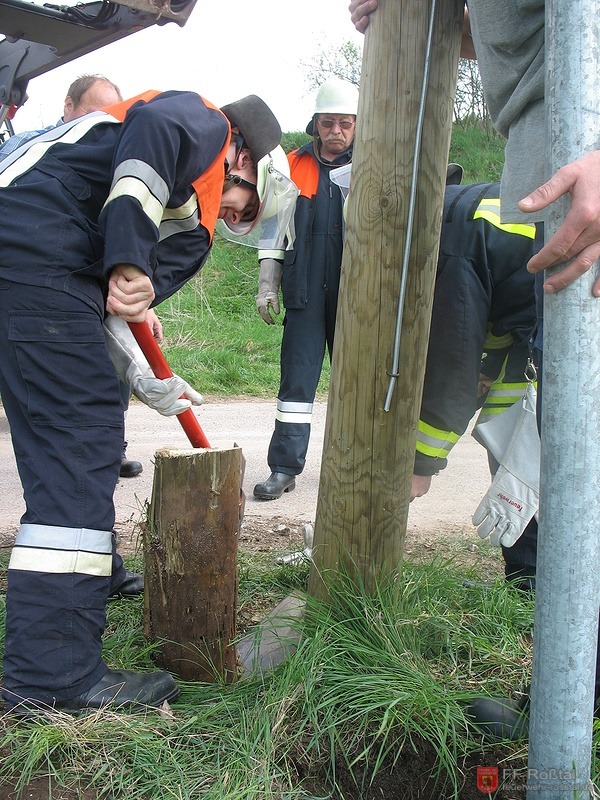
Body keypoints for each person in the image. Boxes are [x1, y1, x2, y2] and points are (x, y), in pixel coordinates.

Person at [349, 0, 600, 741]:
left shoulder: (454, 232)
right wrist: (430, 18)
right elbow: (503, 352)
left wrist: (419, 466)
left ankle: (564, 716)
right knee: (556, 482)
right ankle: (571, 698)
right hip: (568, 244)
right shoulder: (477, 228)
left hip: (583, 225)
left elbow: (456, 360)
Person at [0, 89, 295, 715]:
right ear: (245, 158)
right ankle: (52, 676)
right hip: (32, 251)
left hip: (29, 260)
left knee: (63, 441)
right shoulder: (203, 122)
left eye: (243, 220)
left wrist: (143, 376)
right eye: (243, 207)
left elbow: (106, 300)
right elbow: (153, 133)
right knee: (79, 446)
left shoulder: (160, 210)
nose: (233, 217)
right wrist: (131, 256)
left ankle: (75, 600)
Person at [0, 74, 148, 480]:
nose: (103, 121)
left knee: (108, 370)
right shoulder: (29, 146)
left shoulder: (111, 153)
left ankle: (109, 449)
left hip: (90, 275)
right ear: (69, 107)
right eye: (93, 111)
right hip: (42, 275)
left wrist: (137, 295)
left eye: (111, 114)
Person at [413, 181, 539, 592]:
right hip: (535, 327)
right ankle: (530, 584)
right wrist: (489, 367)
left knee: (527, 453)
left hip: (563, 325)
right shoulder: (453, 209)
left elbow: (453, 364)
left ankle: (538, 590)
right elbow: (505, 302)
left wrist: (420, 465)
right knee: (514, 449)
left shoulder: (452, 246)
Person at [252, 77, 358, 501]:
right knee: (296, 383)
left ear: (357, 125)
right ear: (315, 123)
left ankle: (355, 467)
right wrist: (267, 285)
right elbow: (273, 230)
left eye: (345, 123)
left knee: (357, 381)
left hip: (358, 294)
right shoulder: (292, 166)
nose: (336, 132)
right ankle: (284, 468)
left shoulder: (372, 165)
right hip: (305, 289)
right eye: (328, 123)